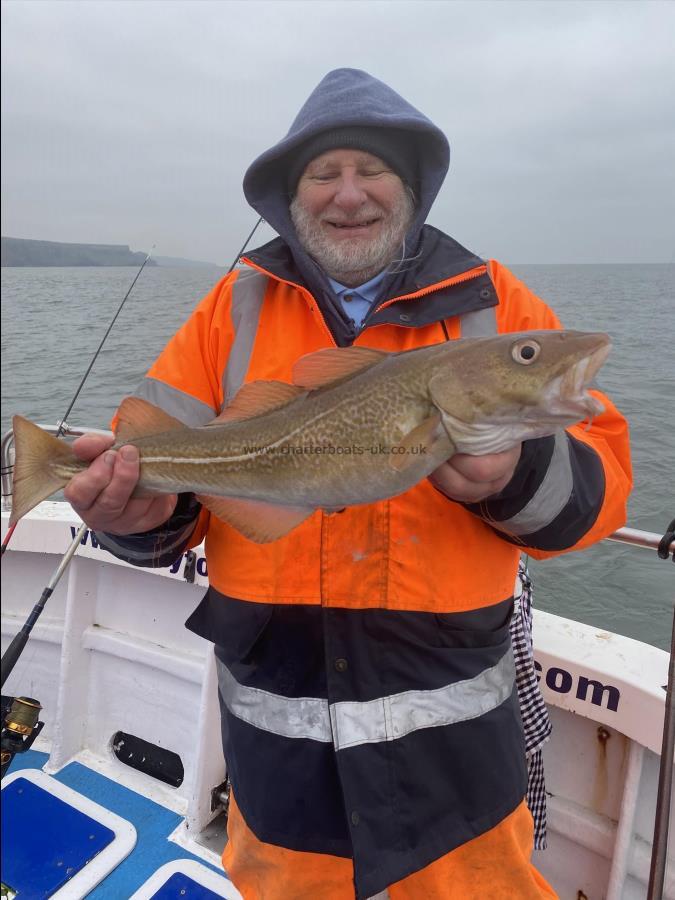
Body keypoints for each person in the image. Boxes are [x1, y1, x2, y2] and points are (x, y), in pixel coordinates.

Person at [63, 69, 632, 899]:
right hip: (278, 751)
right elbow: (161, 479)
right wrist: (135, 515)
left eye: (373, 171)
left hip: (455, 762)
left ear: (412, 189)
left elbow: (603, 490)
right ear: (290, 199)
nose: (348, 195)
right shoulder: (233, 307)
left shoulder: (494, 302)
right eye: (322, 174)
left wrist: (511, 472)